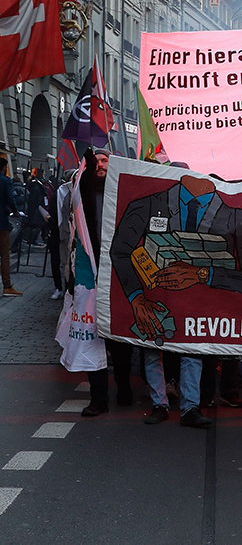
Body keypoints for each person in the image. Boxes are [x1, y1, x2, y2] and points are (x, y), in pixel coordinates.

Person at [80, 149, 136, 416]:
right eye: (96, 162)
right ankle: (98, 397)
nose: (100, 165)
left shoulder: (125, 193)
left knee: (120, 338)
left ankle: (124, 386)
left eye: (105, 161)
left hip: (120, 273)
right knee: (92, 337)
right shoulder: (83, 196)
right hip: (91, 275)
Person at [0, 158, 22, 297]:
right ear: (4, 168)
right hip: (2, 222)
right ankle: (7, 286)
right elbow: (10, 199)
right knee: (4, 254)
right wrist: (15, 211)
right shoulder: (6, 181)